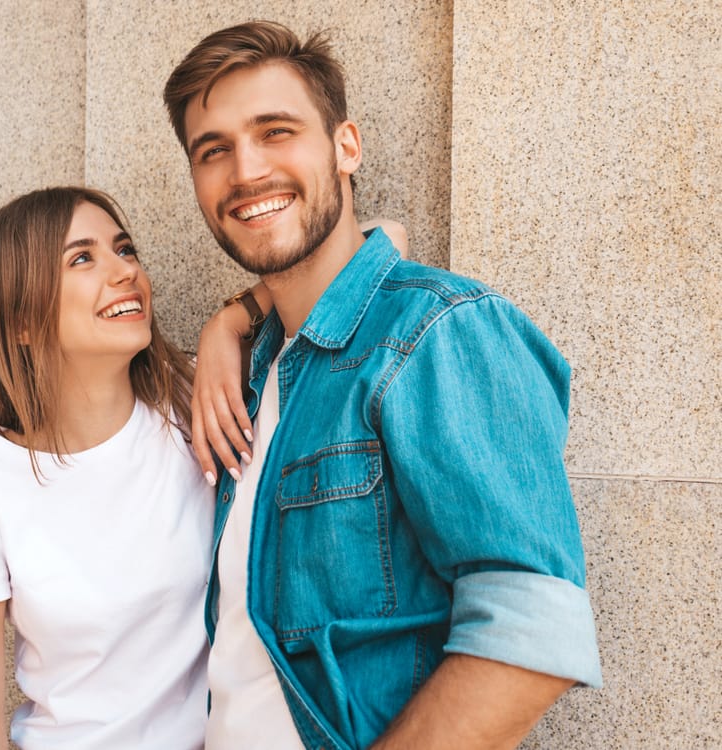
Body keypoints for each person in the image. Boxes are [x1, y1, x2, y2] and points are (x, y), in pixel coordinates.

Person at [164, 20, 603, 750]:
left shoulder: (437, 330)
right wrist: (232, 320)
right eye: (214, 151)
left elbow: (534, 628)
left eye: (276, 132)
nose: (245, 171)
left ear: (346, 147)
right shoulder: (258, 369)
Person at [0, 186, 219, 749]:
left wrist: (231, 320)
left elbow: (374, 247)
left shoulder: (189, 401)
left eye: (125, 249)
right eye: (82, 258)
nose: (124, 271)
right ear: (21, 322)